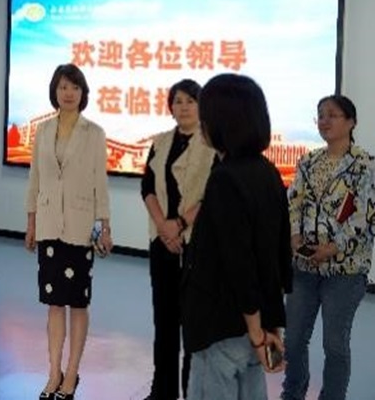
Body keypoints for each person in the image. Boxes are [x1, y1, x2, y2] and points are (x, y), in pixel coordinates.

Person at [181, 73, 292, 400]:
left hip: (223, 326)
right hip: (257, 323)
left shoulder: (225, 179)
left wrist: (257, 335)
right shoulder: (267, 172)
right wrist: (270, 328)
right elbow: (277, 255)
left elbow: (238, 263)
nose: (201, 123)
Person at [24, 63, 111, 400]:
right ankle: (53, 373)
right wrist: (31, 223)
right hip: (48, 225)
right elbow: (35, 179)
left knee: (77, 302)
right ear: (54, 91)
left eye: (75, 87)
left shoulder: (94, 133)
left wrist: (105, 226)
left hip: (80, 226)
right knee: (53, 302)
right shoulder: (43, 131)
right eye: (63, 87)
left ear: (83, 92)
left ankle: (72, 373)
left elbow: (100, 184)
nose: (68, 93)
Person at [281, 95, 375, 400]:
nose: (324, 121)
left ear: (351, 122)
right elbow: (294, 203)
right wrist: (294, 236)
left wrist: (333, 248)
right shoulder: (308, 161)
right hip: (304, 266)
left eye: (332, 115)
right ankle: (292, 393)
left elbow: (366, 216)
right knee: (294, 339)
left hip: (345, 270)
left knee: (335, 345)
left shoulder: (365, 165)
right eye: (320, 115)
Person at [140, 79, 215, 400]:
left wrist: (180, 224)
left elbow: (213, 195)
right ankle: (163, 391)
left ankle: (192, 392)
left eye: (190, 101)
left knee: (193, 325)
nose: (183, 107)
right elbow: (147, 187)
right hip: (162, 243)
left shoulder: (213, 144)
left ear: (201, 106)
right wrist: (163, 226)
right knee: (164, 323)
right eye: (178, 101)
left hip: (196, 245)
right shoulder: (160, 142)